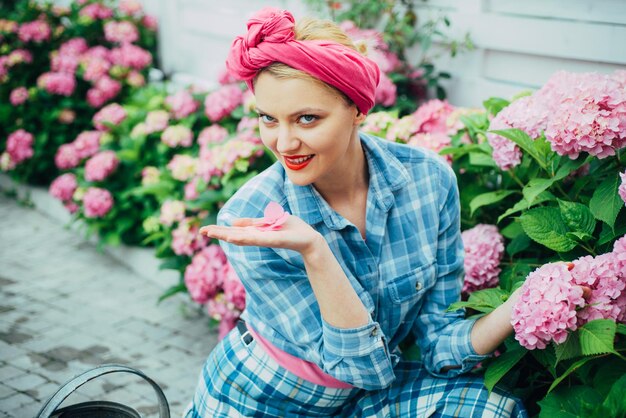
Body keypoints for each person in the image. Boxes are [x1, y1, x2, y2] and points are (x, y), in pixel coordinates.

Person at [186, 7, 528, 417]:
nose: (284, 142)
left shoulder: (428, 182)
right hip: (260, 398)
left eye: (307, 118)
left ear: (359, 110)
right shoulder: (250, 214)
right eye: (268, 119)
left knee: (491, 408)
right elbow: (357, 367)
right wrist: (316, 252)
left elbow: (439, 341)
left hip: (365, 396)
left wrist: (524, 304)